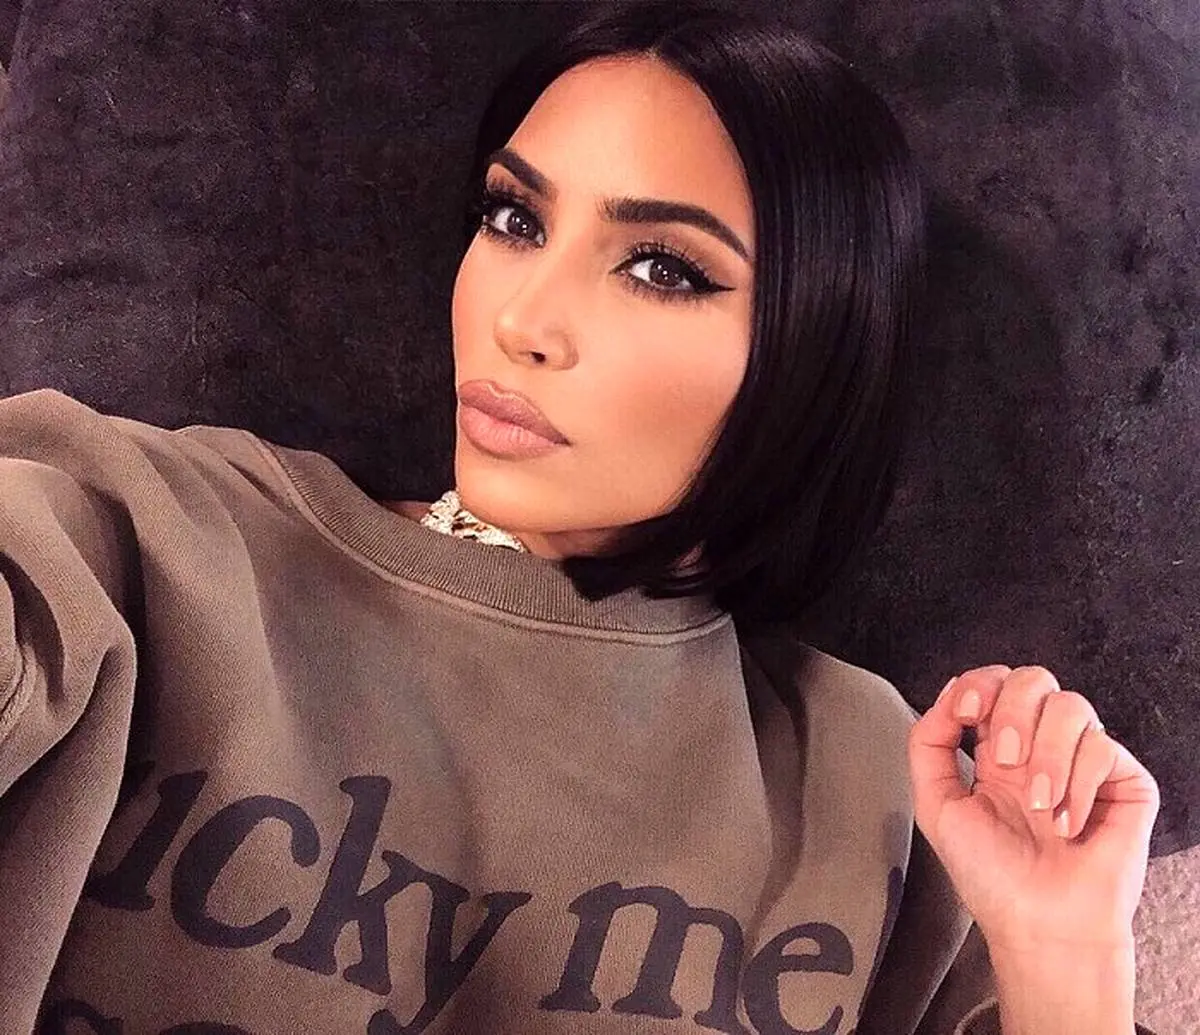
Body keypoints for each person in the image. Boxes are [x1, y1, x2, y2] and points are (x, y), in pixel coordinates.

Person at [0, 2, 1161, 1033]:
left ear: (811, 353)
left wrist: (1064, 957)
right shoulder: (144, 531)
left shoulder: (888, 785)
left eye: (660, 268)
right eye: (514, 219)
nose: (523, 321)